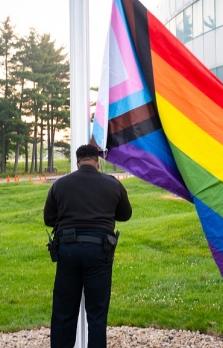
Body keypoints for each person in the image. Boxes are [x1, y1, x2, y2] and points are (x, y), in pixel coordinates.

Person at [44, 144, 133, 348]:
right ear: (97, 161)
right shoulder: (113, 184)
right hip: (99, 251)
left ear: (77, 162)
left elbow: (49, 218)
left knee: (64, 311)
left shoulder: (60, 184)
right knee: (96, 314)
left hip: (67, 250)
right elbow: (125, 214)